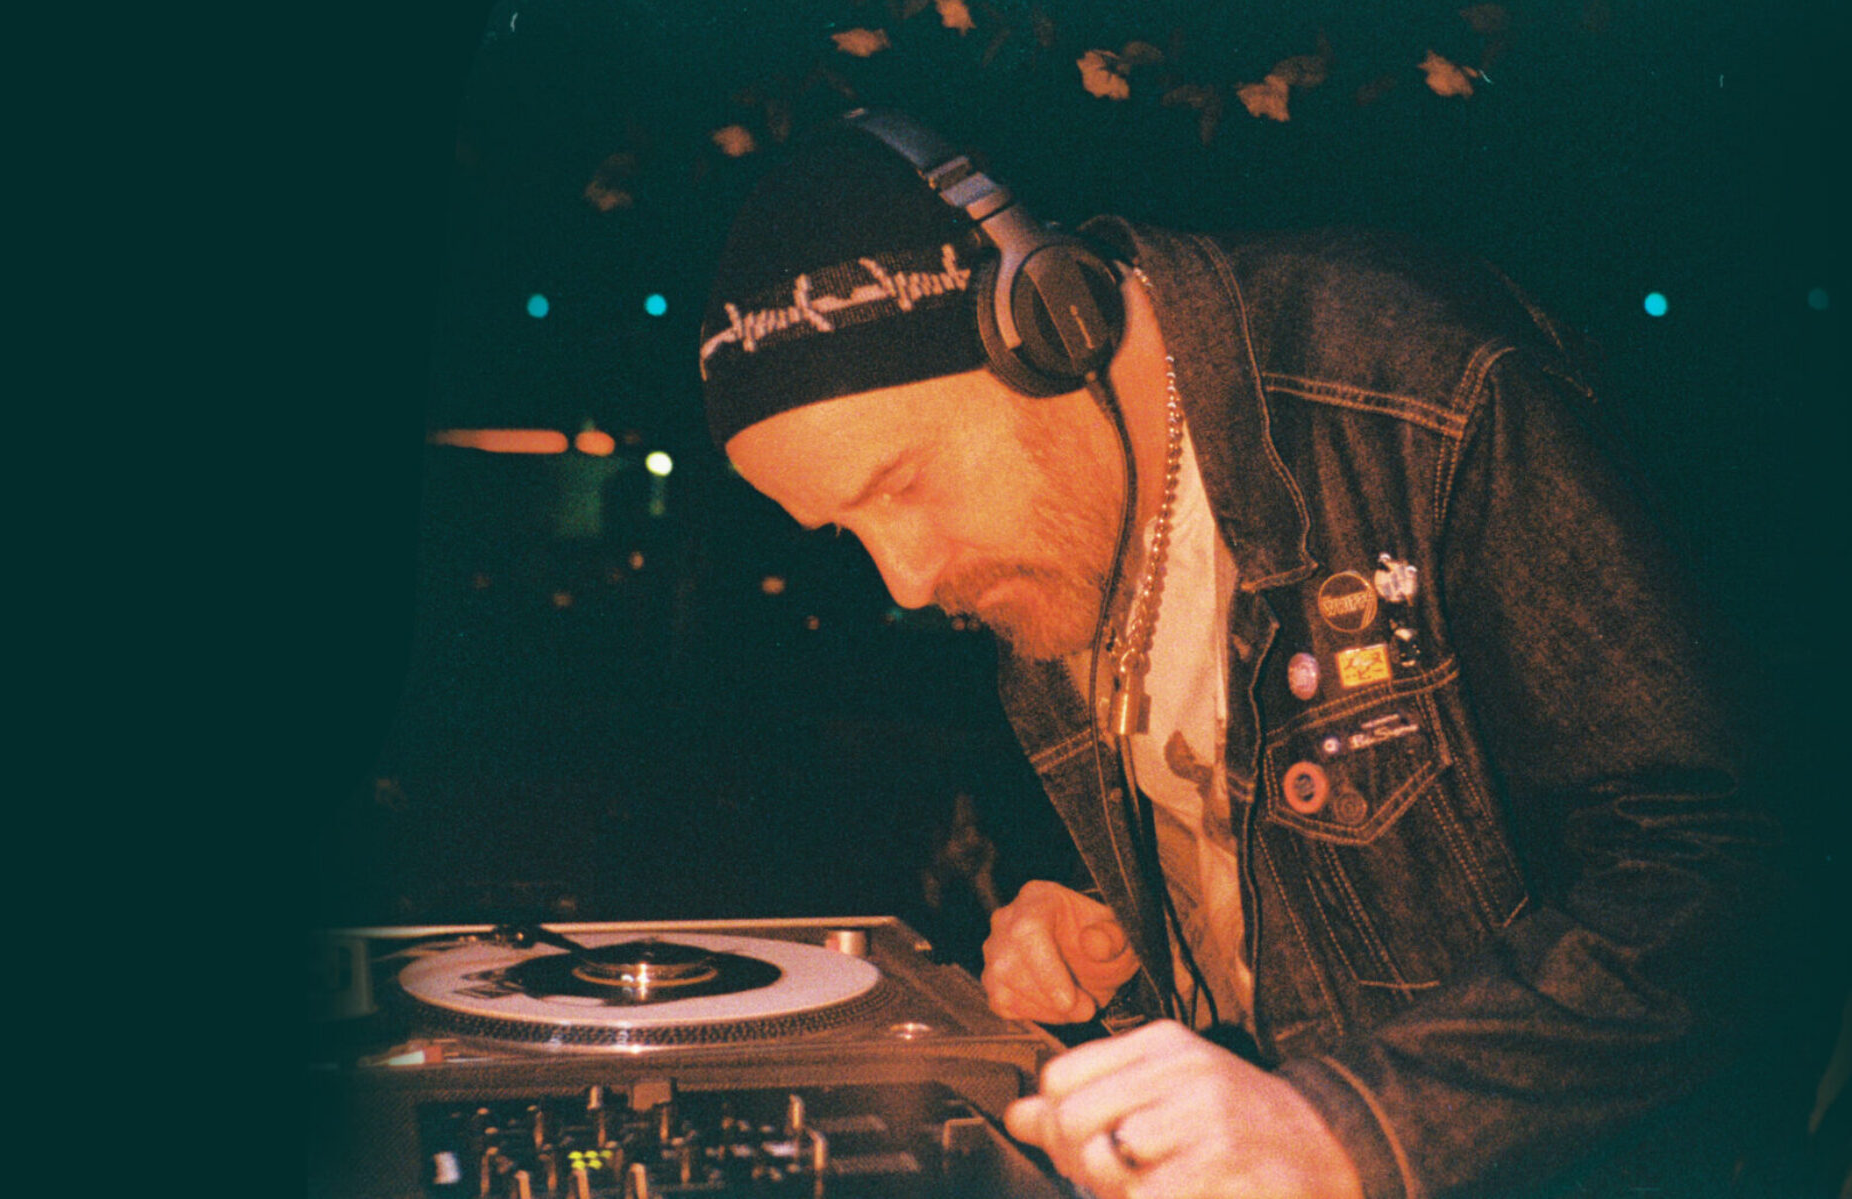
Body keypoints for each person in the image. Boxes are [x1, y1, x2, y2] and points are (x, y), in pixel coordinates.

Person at [697, 109, 1788, 1198]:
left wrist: (1344, 1127)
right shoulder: (1049, 547)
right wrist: (1126, 943)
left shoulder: (1415, 383)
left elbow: (1729, 867)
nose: (905, 576)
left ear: (1050, 326)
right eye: (848, 529)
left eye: (897, 484)